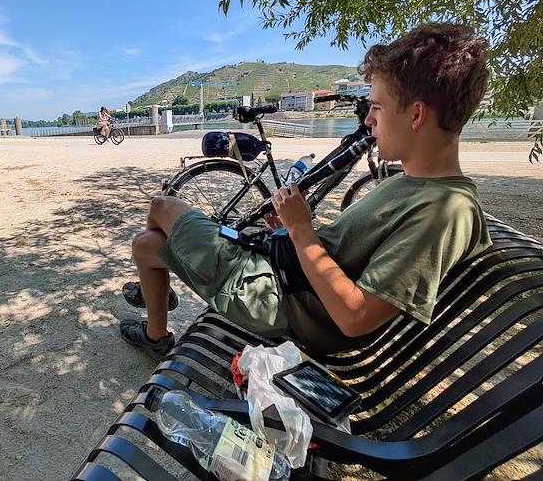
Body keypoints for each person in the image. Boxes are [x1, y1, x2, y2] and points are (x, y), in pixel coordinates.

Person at [119, 23, 492, 360]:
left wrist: (300, 230)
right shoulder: (415, 186)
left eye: (377, 107)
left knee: (163, 206)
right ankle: (156, 335)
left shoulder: (444, 211)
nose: (368, 120)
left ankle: (158, 300)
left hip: (279, 298)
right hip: (284, 273)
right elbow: (341, 254)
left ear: (416, 115)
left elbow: (355, 316)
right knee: (146, 245)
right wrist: (290, 230)